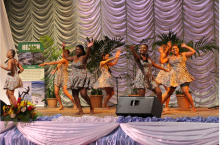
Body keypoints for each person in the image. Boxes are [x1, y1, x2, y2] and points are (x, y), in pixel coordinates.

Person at [160, 43, 196, 113]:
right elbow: (161, 61)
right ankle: (159, 106)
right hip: (174, 77)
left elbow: (193, 51)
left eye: (176, 48)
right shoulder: (169, 57)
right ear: (171, 50)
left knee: (185, 92)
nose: (174, 50)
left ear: (178, 49)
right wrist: (162, 53)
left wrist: (186, 46)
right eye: (173, 49)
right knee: (169, 93)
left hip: (183, 76)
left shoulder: (183, 55)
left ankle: (193, 107)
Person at [62, 40, 94, 115]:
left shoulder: (83, 57)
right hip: (73, 78)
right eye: (75, 49)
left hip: (82, 78)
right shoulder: (73, 58)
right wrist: (63, 48)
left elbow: (88, 55)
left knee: (83, 94)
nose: (76, 51)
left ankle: (91, 106)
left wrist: (89, 48)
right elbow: (66, 57)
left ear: (82, 51)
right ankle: (80, 110)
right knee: (75, 95)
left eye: (78, 50)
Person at [156, 42, 172, 110]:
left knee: (168, 91)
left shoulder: (168, 55)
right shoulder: (163, 54)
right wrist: (162, 51)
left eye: (165, 48)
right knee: (168, 91)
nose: (164, 49)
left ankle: (166, 106)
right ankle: (159, 104)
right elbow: (161, 61)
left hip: (168, 73)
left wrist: (169, 46)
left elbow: (167, 52)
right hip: (164, 74)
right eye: (163, 48)